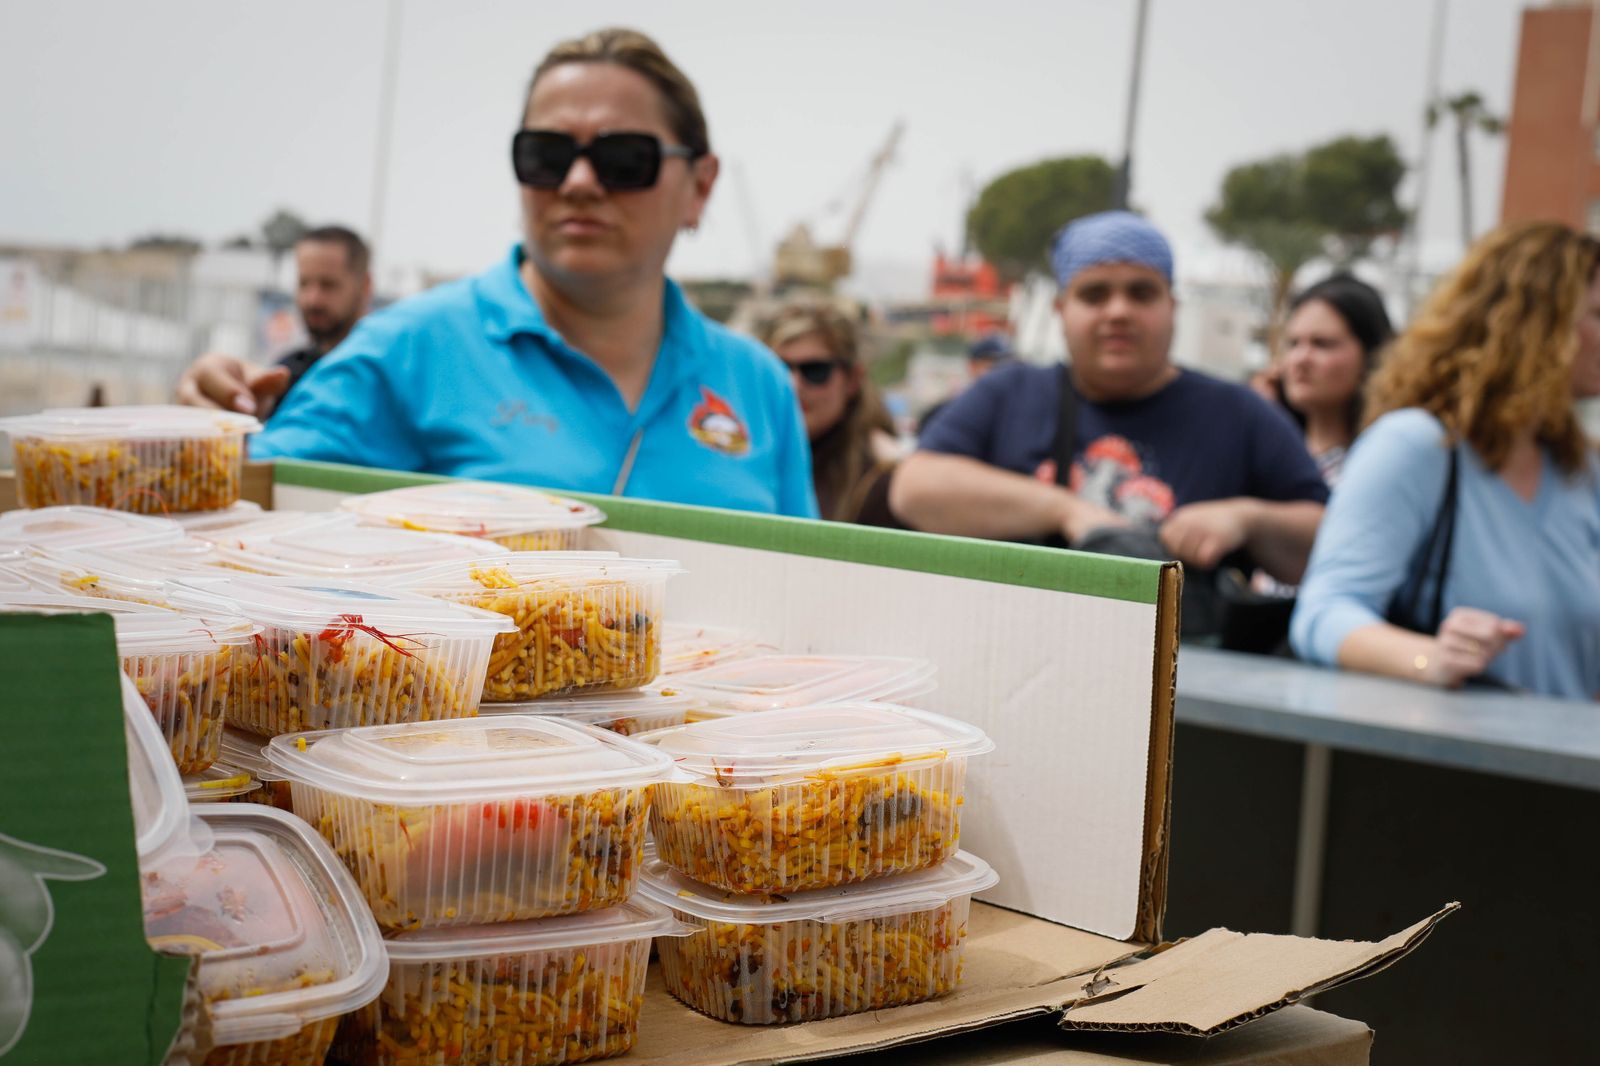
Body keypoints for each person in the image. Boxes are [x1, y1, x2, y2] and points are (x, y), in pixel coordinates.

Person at [176, 28, 817, 518]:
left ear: (700, 186)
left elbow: (806, 593)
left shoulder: (758, 384)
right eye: (547, 155)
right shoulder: (405, 351)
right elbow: (235, 516)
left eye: (624, 159)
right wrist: (206, 435)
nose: (579, 182)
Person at [891, 210, 1328, 634]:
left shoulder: (1240, 413)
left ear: (1172, 306)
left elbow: (1328, 542)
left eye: (1141, 293)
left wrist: (1246, 518)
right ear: (1061, 309)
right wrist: (1066, 511)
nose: (1118, 311)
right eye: (1094, 294)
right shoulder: (1008, 394)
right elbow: (915, 487)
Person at [1292, 221, 1600, 698]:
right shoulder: (1417, 446)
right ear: (1538, 327)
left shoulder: (1579, 467)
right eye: (1597, 313)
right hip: (1459, 767)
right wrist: (1430, 658)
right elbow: (1323, 614)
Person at [178, 225, 372, 416]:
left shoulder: (387, 375)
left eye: (328, 285)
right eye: (304, 283)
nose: (312, 299)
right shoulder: (288, 374)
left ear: (365, 286)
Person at [759, 300, 901, 524]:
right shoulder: (739, 455)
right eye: (779, 369)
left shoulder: (882, 478)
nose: (793, 385)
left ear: (853, 379)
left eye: (815, 371)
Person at [1261, 273, 1394, 486]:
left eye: (1322, 344)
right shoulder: (1263, 456)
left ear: (1371, 354)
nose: (1300, 359)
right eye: (1293, 343)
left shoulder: (1385, 463)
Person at [916, 332, 1015, 435]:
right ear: (972, 366)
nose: (1001, 371)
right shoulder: (951, 409)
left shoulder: (1012, 411)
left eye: (1006, 364)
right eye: (992, 364)